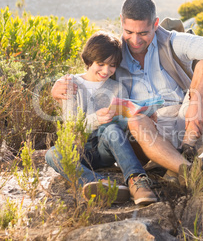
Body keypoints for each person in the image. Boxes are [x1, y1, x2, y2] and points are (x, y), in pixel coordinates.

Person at [51, 0, 203, 186]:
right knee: (135, 121)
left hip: (189, 122)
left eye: (143, 33)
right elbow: (96, 71)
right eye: (129, 32)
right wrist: (60, 84)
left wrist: (199, 101)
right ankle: (190, 172)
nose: (135, 40)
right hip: (146, 133)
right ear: (121, 21)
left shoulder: (172, 41)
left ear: (155, 23)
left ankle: (182, 156)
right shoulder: (115, 53)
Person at [45, 30, 157, 205]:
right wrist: (96, 118)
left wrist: (140, 115)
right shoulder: (70, 84)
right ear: (89, 60)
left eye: (112, 65)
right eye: (101, 64)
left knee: (112, 128)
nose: (107, 70)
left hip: (105, 149)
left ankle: (136, 181)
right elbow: (72, 127)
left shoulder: (117, 88)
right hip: (78, 149)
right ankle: (99, 182)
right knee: (52, 154)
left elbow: (122, 127)